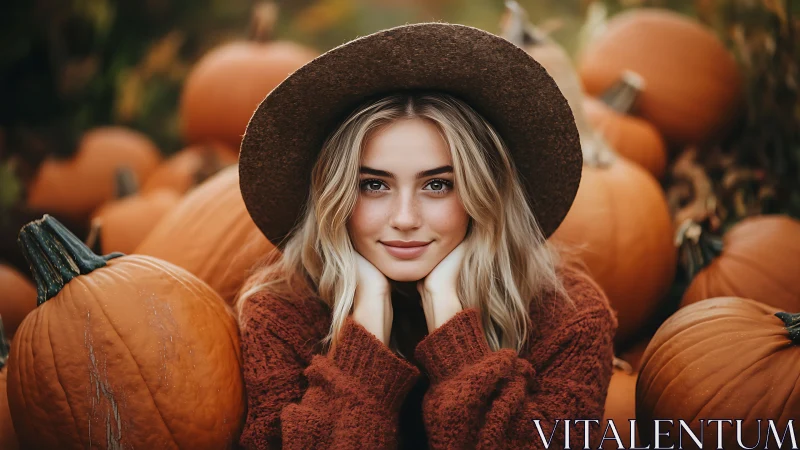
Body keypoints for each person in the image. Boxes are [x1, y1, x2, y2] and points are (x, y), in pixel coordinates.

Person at [235, 22, 618, 450]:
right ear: (335, 194)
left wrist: (454, 330)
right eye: (373, 185)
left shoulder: (567, 318)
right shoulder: (281, 314)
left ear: (483, 193)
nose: (403, 218)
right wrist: (364, 340)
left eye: (437, 185)